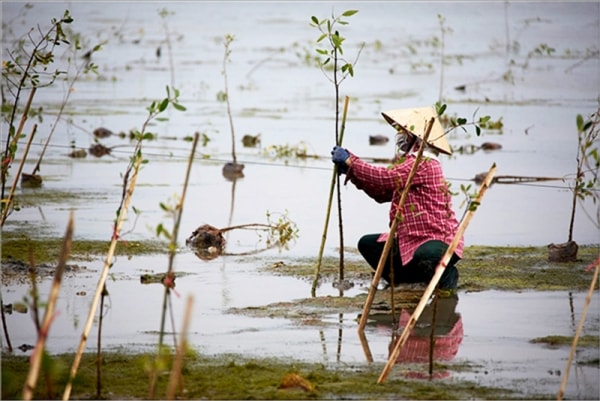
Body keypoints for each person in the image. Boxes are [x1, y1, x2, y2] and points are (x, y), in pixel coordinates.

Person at [330, 106, 463, 290]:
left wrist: (352, 161)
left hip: (437, 238)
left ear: (415, 136)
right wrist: (352, 172)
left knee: (425, 254)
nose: (399, 134)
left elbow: (384, 178)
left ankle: (446, 277)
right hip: (411, 238)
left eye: (403, 131)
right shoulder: (410, 162)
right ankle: (406, 281)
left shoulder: (425, 163)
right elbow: (381, 193)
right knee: (367, 244)